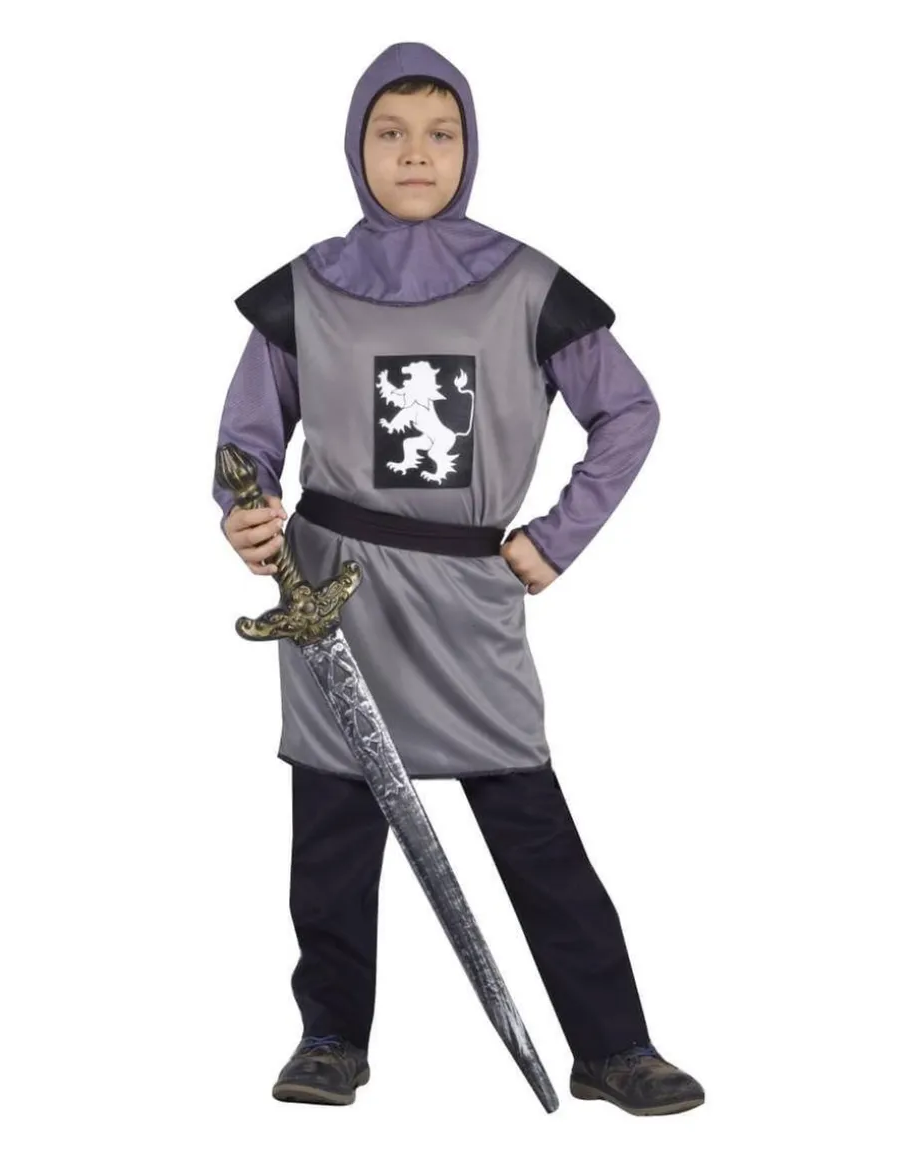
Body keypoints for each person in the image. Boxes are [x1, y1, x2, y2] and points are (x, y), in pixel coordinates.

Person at [212, 41, 703, 1117]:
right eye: (389, 133)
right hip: (331, 594)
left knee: (530, 822)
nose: (415, 154)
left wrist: (557, 538)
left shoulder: (525, 283)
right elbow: (247, 439)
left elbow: (628, 410)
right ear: (355, 148)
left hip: (467, 595)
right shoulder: (306, 289)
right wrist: (244, 513)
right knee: (334, 833)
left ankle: (611, 1044)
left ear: (470, 148)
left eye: (440, 134)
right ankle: (330, 1035)